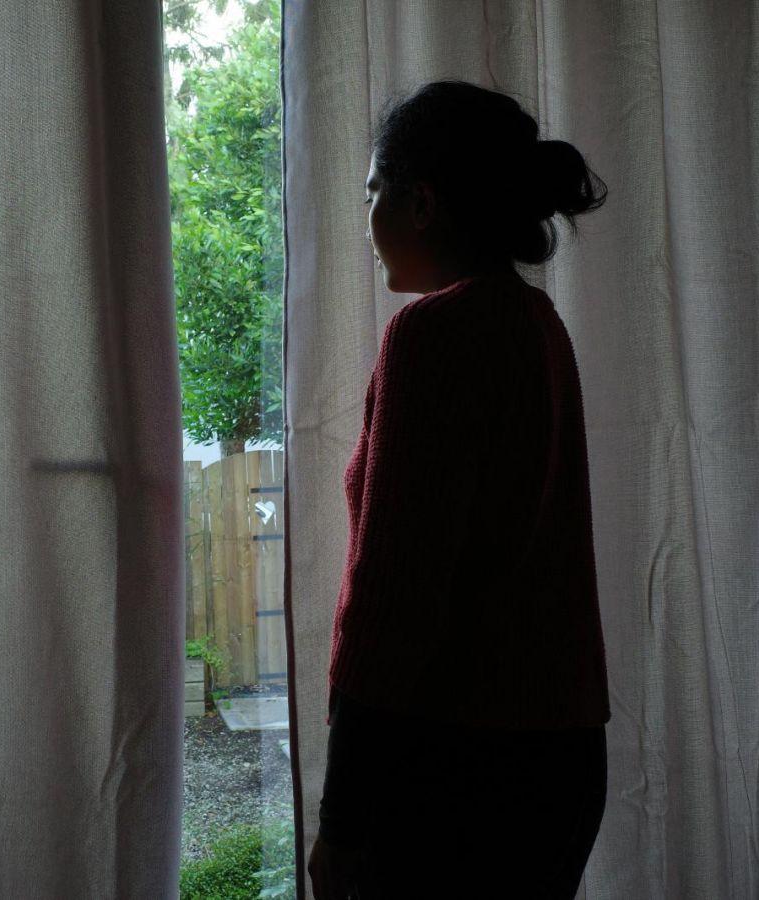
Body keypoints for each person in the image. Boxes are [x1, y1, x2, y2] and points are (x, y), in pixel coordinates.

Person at [307, 79, 611, 899]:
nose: (365, 219)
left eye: (373, 192)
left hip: (458, 772)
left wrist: (341, 818)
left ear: (421, 204)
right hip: (561, 758)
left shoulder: (433, 334)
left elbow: (392, 597)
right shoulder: (537, 324)